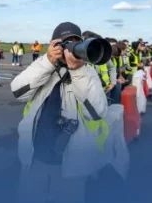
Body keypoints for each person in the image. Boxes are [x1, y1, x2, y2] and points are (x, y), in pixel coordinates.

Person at [11, 22, 108, 203]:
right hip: (35, 157)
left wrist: (77, 71)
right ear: (53, 44)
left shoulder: (87, 72)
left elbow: (97, 112)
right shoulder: (42, 65)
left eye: (75, 42)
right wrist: (48, 62)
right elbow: (18, 92)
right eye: (65, 43)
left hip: (71, 165)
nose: (69, 48)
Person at [82, 31, 117, 103]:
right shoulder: (80, 58)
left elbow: (112, 67)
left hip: (106, 89)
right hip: (89, 94)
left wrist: (113, 82)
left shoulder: (102, 54)